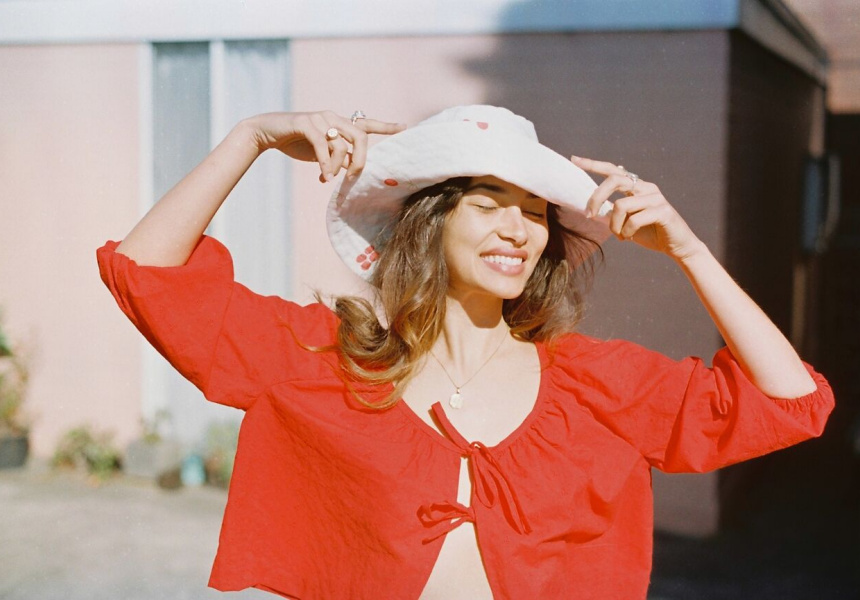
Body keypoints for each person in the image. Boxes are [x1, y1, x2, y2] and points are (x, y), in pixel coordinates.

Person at [98, 105, 835, 600]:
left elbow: (792, 403)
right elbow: (147, 276)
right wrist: (251, 137)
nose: (518, 228)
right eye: (486, 203)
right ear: (430, 222)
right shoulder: (326, 361)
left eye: (536, 212)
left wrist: (689, 250)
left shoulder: (594, 384)